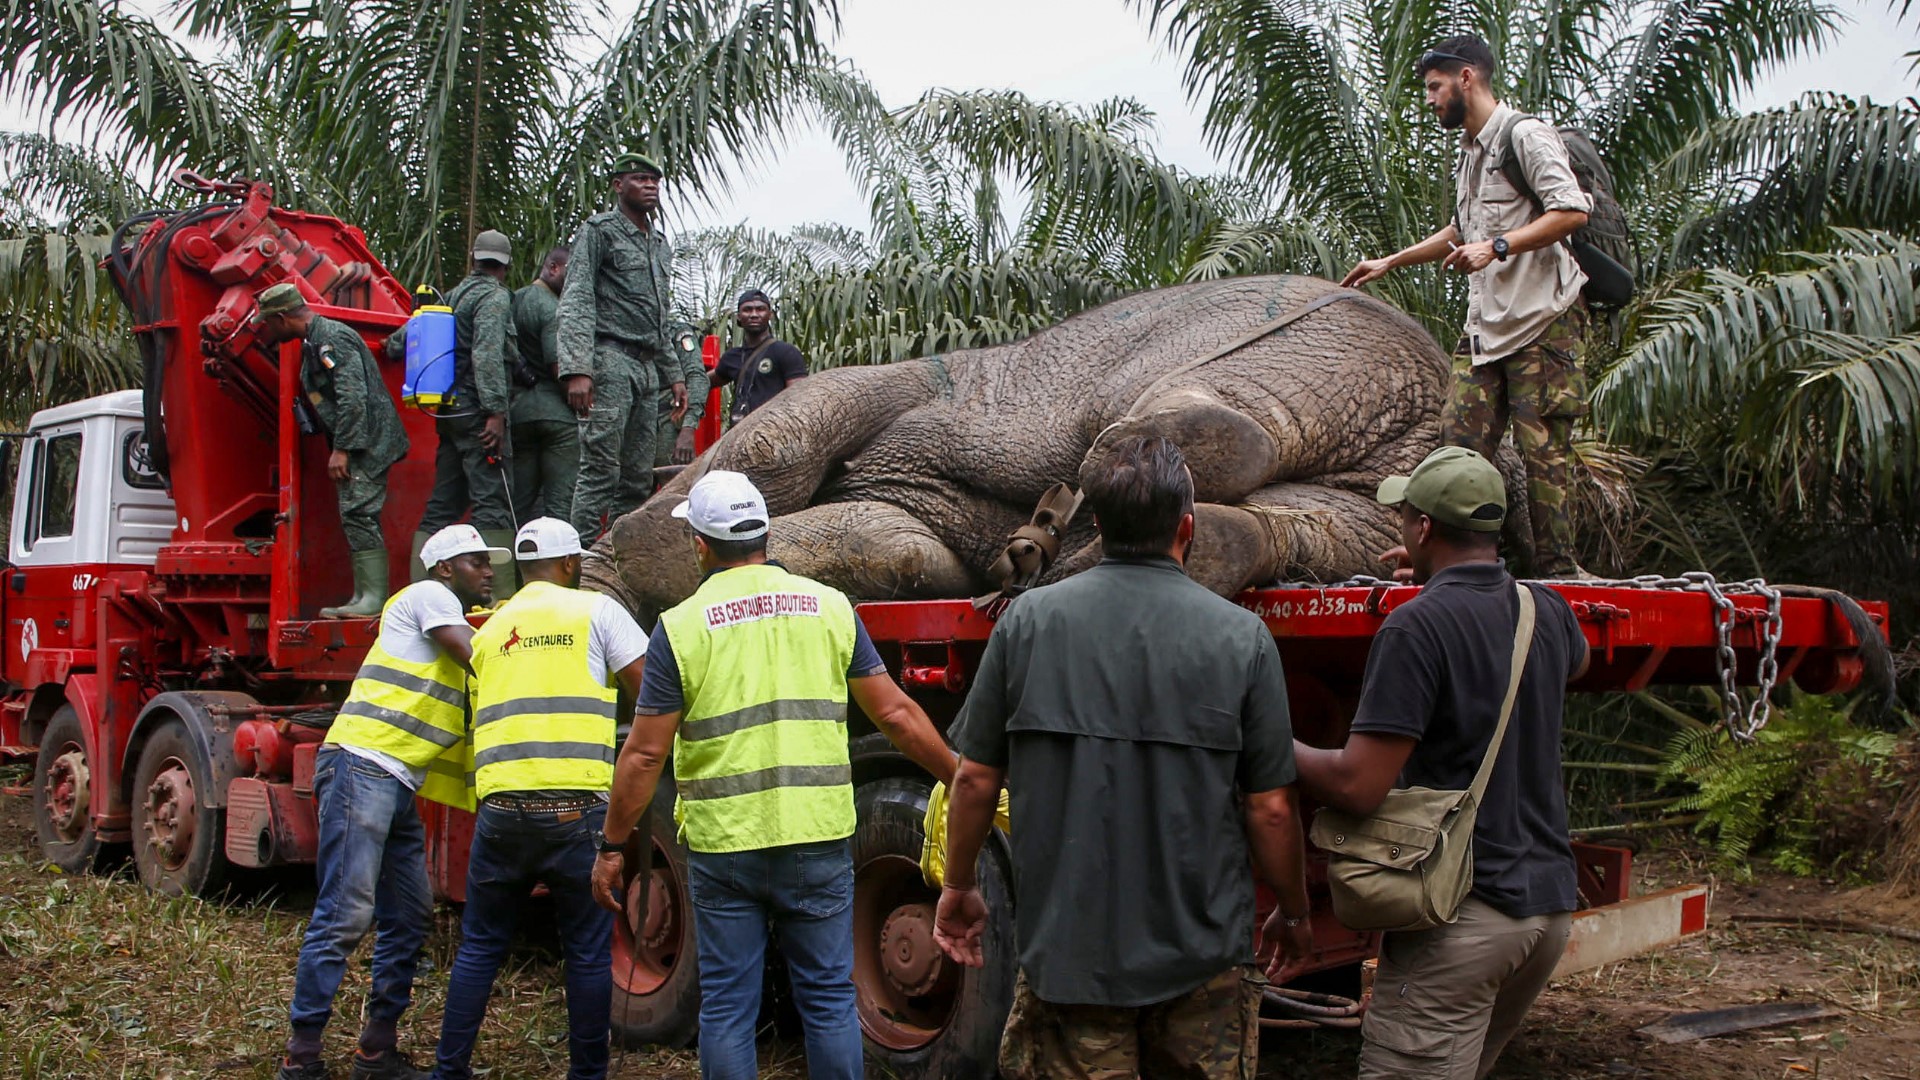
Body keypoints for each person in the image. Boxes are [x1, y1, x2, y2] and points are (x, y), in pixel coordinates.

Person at [933, 435, 1315, 1080]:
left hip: (1070, 956)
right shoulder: (1241, 638)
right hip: (1203, 960)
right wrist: (1296, 910)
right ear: (1187, 528)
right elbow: (1272, 809)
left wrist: (960, 885)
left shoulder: (1025, 623)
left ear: (1100, 527)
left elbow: (972, 779)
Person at [590, 470, 956, 1080]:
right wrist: (959, 774)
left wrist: (609, 846)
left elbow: (644, 755)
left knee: (730, 1007)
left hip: (726, 846)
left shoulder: (680, 629)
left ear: (701, 547)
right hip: (816, 838)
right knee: (829, 1000)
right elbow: (894, 713)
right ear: (765, 536)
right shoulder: (830, 608)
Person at [1291, 446, 1588, 1080]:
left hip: (1465, 916)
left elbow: (1359, 784)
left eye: (1405, 518)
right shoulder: (1547, 611)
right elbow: (1579, 662)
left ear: (1422, 529)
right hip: (1545, 914)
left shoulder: (1415, 628)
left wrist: (1266, 743)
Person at [1341, 35, 1593, 578]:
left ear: (1466, 79)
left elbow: (1572, 210)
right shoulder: (1470, 152)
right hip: (1488, 328)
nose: (1430, 100)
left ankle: (1559, 575)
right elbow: (1463, 230)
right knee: (1456, 449)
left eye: (1434, 87)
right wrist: (1390, 261)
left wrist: (1498, 246)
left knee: (1543, 455)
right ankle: (1449, 564)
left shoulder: (1524, 135)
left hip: (1542, 323)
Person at [280, 524, 502, 1080]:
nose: (488, 571)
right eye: (476, 562)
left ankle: (376, 1052)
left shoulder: (455, 612)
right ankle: (301, 1058)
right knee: (345, 914)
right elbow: (478, 655)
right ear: (445, 569)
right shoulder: (428, 597)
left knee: (408, 917)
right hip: (361, 765)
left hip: (396, 781)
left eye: (489, 562)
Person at [430, 516, 648, 1080]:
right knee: (586, 953)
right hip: (576, 813)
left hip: (501, 814)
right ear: (572, 564)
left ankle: (448, 1071)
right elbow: (649, 692)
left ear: (523, 570)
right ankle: (586, 1075)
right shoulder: (596, 611)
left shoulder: (492, 629)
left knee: (479, 947)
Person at [255, 281, 410, 618]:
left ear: (282, 318)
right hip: (362, 442)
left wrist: (343, 448)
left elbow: (353, 397)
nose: (267, 331)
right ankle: (364, 595)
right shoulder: (316, 339)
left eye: (268, 323)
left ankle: (373, 600)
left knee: (359, 512)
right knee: (353, 513)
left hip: (369, 442)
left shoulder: (332, 339)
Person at [556, 152, 683, 541]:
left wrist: (674, 373)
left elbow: (657, 315)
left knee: (637, 476)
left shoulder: (658, 244)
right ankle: (578, 559)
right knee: (600, 468)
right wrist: (578, 368)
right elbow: (576, 297)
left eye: (655, 181)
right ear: (618, 185)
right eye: (640, 179)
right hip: (609, 359)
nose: (650, 187)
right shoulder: (600, 231)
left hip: (646, 367)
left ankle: (619, 557)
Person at [416, 229, 520, 596]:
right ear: (506, 265)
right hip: (478, 413)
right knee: (492, 500)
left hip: (451, 412)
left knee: (443, 503)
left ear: (474, 259)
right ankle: (498, 599)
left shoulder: (454, 295)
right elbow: (488, 354)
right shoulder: (494, 297)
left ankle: (420, 591)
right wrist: (496, 412)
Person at [511, 246, 581, 522]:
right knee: (560, 504)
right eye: (569, 272)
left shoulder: (514, 300)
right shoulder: (552, 308)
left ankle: (509, 563)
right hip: (556, 418)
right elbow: (559, 368)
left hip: (518, 413)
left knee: (519, 502)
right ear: (553, 268)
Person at [711, 289, 807, 426]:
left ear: (770, 315)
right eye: (747, 310)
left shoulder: (786, 352)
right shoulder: (732, 357)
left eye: (760, 309)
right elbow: (703, 382)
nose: (754, 315)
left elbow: (798, 400)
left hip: (774, 433)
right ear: (738, 316)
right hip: (738, 433)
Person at [651, 321, 709, 468]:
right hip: (632, 422)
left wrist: (688, 428)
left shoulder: (676, 332)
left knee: (674, 481)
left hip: (666, 419)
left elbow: (696, 377)